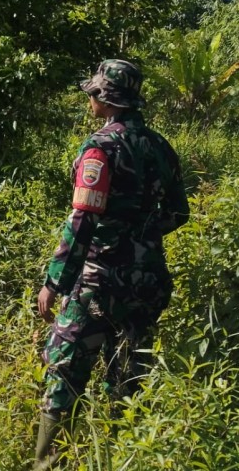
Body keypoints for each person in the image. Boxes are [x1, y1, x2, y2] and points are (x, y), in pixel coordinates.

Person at [33, 59, 190, 469]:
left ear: (105, 96)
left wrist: (55, 281)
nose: (89, 99)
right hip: (148, 279)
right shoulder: (160, 147)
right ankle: (125, 455)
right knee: (128, 369)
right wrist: (141, 238)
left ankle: (48, 462)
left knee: (64, 365)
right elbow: (179, 211)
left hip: (99, 279)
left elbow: (84, 219)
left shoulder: (100, 147)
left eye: (93, 92)